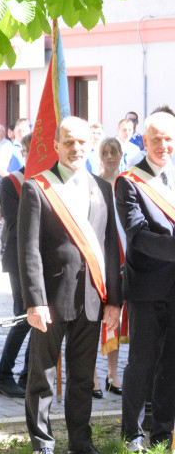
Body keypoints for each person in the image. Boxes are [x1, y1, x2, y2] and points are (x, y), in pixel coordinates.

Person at [18, 116, 122, 454]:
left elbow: (110, 248)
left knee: (82, 377)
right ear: (57, 146)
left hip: (92, 298)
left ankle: (81, 444)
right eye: (68, 142)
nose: (75, 148)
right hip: (51, 297)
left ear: (89, 143)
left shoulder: (102, 188)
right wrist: (35, 300)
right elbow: (28, 249)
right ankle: (42, 444)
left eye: (81, 142)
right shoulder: (37, 187)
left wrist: (114, 300)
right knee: (43, 375)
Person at [115, 112, 175, 453]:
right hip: (146, 287)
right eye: (156, 139)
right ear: (145, 141)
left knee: (171, 363)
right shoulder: (129, 181)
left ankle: (163, 435)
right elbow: (138, 235)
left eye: (169, 139)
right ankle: (132, 435)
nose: (163, 146)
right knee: (141, 362)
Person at [0, 132, 32, 398]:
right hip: (19, 257)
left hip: (47, 259)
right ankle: (3, 376)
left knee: (45, 319)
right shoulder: (12, 182)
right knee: (23, 316)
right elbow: (15, 224)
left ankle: (30, 374)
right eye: (30, 149)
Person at [95, 137, 127, 397]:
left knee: (116, 319)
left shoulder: (126, 182)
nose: (109, 156)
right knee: (95, 317)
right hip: (101, 254)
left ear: (120, 154)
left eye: (112, 152)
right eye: (104, 152)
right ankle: (91, 377)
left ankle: (112, 373)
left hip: (125, 255)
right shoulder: (93, 183)